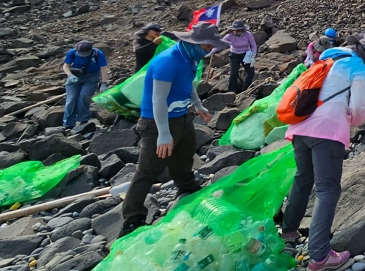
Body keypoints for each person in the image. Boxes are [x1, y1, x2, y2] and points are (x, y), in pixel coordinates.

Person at [119, 23, 227, 236]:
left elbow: (188, 84)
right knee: (148, 169)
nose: (209, 51)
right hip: (157, 122)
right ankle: (132, 218)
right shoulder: (167, 62)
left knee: (184, 155)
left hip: (181, 117)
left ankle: (187, 188)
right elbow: (158, 99)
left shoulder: (190, 57)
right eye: (207, 47)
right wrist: (164, 134)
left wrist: (198, 105)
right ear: (192, 42)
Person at [281, 45, 365, 271]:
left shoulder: (319, 65)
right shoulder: (356, 66)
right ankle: (320, 256)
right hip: (327, 131)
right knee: (327, 189)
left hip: (299, 128)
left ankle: (288, 232)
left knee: (302, 179)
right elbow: (358, 108)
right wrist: (354, 121)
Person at [62, 40, 109, 129]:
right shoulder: (72, 52)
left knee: (84, 97)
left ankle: (83, 120)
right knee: (71, 99)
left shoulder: (97, 53)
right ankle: (68, 123)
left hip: (91, 77)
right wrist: (70, 75)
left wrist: (104, 83)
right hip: (75, 75)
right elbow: (66, 66)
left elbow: (103, 69)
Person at [222, 20, 257, 93]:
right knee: (234, 73)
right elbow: (220, 43)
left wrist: (253, 55)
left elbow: (253, 45)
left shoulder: (248, 34)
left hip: (246, 54)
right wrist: (212, 51)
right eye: (235, 30)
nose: (236, 32)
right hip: (234, 55)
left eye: (238, 30)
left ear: (242, 30)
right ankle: (231, 91)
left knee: (251, 73)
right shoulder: (230, 35)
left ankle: (246, 90)